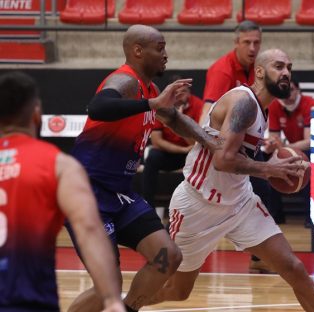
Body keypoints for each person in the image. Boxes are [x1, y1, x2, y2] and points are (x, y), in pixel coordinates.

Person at [147, 49, 314, 312]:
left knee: (295, 268)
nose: (286, 72)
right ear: (258, 71)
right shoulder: (244, 102)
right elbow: (223, 160)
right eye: (279, 66)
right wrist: (269, 170)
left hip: (239, 202)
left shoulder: (263, 108)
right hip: (198, 204)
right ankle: (123, 304)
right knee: (178, 291)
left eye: (289, 67)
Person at [67, 25, 219, 312]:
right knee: (106, 287)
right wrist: (150, 103)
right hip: (87, 195)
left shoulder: (150, 88)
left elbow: (173, 118)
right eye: (159, 48)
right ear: (138, 51)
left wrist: (208, 140)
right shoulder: (125, 80)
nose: (166, 55)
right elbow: (98, 107)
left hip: (120, 194)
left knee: (168, 256)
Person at [0, 71, 125, 312]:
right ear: (37, 114)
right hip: (28, 301)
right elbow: (89, 229)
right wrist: (111, 299)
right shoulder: (60, 165)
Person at [200, 19, 276, 273]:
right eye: (247, 43)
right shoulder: (222, 70)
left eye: (257, 42)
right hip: (218, 148)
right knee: (201, 202)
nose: (253, 48)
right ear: (236, 43)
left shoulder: (258, 69)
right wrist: (211, 149)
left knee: (264, 189)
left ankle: (259, 258)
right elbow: (205, 115)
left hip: (243, 147)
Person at [264, 79, 314, 227]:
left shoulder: (311, 104)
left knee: (309, 168)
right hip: (292, 148)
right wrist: (271, 146)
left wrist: (286, 148)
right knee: (269, 164)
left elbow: (310, 141)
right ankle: (276, 215)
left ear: (298, 90)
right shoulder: (275, 105)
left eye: (291, 90)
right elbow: (274, 137)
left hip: (313, 150)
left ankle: (311, 217)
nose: (287, 95)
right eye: (283, 91)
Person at [143, 74, 204, 208]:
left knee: (200, 158)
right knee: (152, 157)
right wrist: (182, 150)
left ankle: (190, 207)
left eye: (185, 92)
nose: (181, 96)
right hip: (173, 152)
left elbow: (196, 143)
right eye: (178, 92)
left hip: (192, 153)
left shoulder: (199, 106)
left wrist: (180, 121)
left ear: (189, 93)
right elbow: (157, 141)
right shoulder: (161, 106)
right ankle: (147, 206)